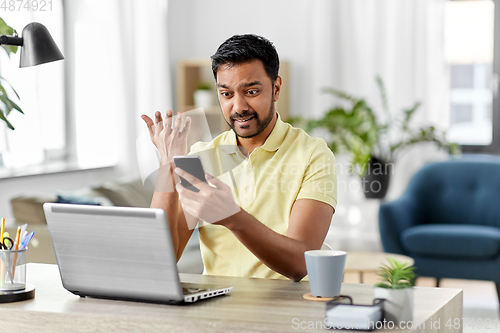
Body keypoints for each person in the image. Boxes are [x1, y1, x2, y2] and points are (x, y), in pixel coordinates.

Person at [141, 34, 337, 282]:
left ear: (275, 88)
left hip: (289, 306)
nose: (239, 106)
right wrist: (168, 165)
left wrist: (232, 216)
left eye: (252, 91)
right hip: (218, 306)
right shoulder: (201, 157)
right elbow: (160, 257)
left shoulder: (313, 154)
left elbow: (301, 263)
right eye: (226, 94)